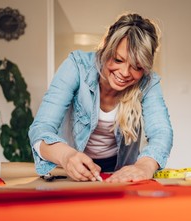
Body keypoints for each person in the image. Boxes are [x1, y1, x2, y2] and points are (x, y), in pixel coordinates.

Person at [28, 13, 173, 183]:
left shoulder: (148, 82)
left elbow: (162, 132)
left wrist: (145, 166)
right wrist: (66, 156)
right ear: (105, 48)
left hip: (118, 170)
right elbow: (40, 129)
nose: (125, 73)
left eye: (137, 67)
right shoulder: (77, 65)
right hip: (69, 168)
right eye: (118, 60)